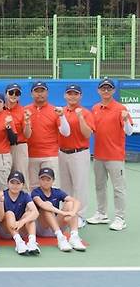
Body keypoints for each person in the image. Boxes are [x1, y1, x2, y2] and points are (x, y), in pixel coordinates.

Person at [87, 78, 133, 231]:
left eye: (109, 88)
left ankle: (120, 218)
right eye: (103, 88)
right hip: (98, 155)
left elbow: (129, 131)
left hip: (115, 156)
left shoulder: (121, 109)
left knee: (118, 188)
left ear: (113, 91)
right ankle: (101, 214)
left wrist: (126, 120)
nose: (106, 91)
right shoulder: (95, 108)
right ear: (99, 91)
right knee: (99, 186)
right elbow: (90, 129)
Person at [58, 84, 94, 226]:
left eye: (75, 94)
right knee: (65, 186)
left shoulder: (85, 112)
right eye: (70, 93)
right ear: (65, 96)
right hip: (62, 152)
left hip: (79, 152)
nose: (72, 96)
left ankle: (80, 215)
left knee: (79, 186)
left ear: (80, 96)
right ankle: (67, 213)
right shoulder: (61, 111)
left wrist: (80, 117)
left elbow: (87, 134)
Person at [24, 81, 71, 190]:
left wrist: (62, 117)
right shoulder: (26, 110)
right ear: (32, 94)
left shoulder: (55, 110)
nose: (40, 94)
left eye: (42, 91)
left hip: (50, 155)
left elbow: (66, 132)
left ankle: (52, 207)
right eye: (37, 91)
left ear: (47, 93)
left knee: (51, 187)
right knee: (33, 188)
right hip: (31, 156)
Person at [31, 167, 86, 252]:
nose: (45, 182)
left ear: (53, 180)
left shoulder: (57, 191)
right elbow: (42, 204)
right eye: (42, 179)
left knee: (70, 203)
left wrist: (72, 213)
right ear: (39, 180)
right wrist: (63, 213)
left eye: (48, 179)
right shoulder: (35, 192)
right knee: (47, 205)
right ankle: (60, 238)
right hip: (43, 228)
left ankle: (74, 236)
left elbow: (76, 201)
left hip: (57, 224)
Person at [0, 171, 40, 255]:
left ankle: (32, 242)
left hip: (18, 227)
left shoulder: (25, 196)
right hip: (4, 230)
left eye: (18, 183)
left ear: (22, 185)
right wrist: (1, 201)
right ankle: (19, 242)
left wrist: (21, 222)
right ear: (7, 183)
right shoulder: (2, 195)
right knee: (9, 213)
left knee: (29, 214)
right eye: (12, 182)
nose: (15, 186)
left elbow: (35, 212)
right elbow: (0, 218)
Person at [5, 83, 29, 177]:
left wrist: (27, 123)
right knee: (4, 176)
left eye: (17, 93)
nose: (14, 95)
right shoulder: (0, 109)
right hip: (3, 147)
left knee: (21, 176)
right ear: (6, 94)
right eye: (11, 92)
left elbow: (27, 135)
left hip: (19, 146)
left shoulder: (23, 111)